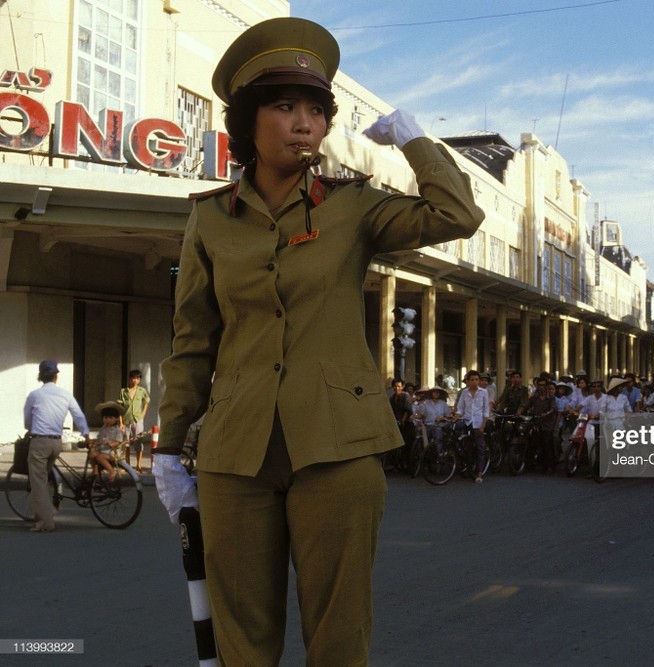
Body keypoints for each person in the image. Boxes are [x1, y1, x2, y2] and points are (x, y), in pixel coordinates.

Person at [152, 17, 484, 666]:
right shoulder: (210, 219)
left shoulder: (353, 207)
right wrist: (168, 447)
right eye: (283, 106)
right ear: (250, 121)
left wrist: (414, 140)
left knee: (338, 636)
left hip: (338, 445)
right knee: (241, 637)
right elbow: (193, 341)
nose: (304, 122)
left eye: (315, 109)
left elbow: (457, 213)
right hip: (234, 451)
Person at [22, 359, 91, 533]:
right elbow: (79, 416)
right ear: (55, 376)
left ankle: (45, 522)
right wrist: (87, 435)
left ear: (40, 376)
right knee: (45, 476)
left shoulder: (34, 395)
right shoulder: (65, 394)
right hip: (56, 443)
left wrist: (32, 429)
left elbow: (27, 422)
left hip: (39, 442)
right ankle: (49, 508)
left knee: (38, 482)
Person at [453, 370, 490, 482]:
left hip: (479, 422)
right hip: (467, 421)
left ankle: (479, 472)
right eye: (472, 380)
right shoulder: (464, 393)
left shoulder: (483, 392)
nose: (474, 382)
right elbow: (460, 408)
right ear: (468, 381)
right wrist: (456, 416)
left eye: (476, 379)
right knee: (466, 445)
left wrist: (483, 425)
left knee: (480, 447)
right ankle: (465, 466)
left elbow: (486, 411)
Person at [118, 369, 150, 472]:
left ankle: (138, 465)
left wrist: (143, 413)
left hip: (137, 420)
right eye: (134, 378)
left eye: (138, 378)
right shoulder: (124, 391)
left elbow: (146, 401)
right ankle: (127, 465)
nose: (135, 380)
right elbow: (119, 407)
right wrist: (120, 422)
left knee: (138, 443)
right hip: (126, 420)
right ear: (130, 378)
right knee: (126, 444)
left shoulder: (142, 391)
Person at [92, 401, 126, 479]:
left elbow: (118, 442)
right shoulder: (102, 429)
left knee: (99, 457)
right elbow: (99, 439)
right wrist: (95, 443)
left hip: (113, 453)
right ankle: (95, 470)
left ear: (116, 418)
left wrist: (110, 443)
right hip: (102, 450)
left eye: (110, 418)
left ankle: (111, 471)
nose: (107, 420)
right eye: (105, 418)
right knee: (92, 454)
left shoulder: (117, 430)